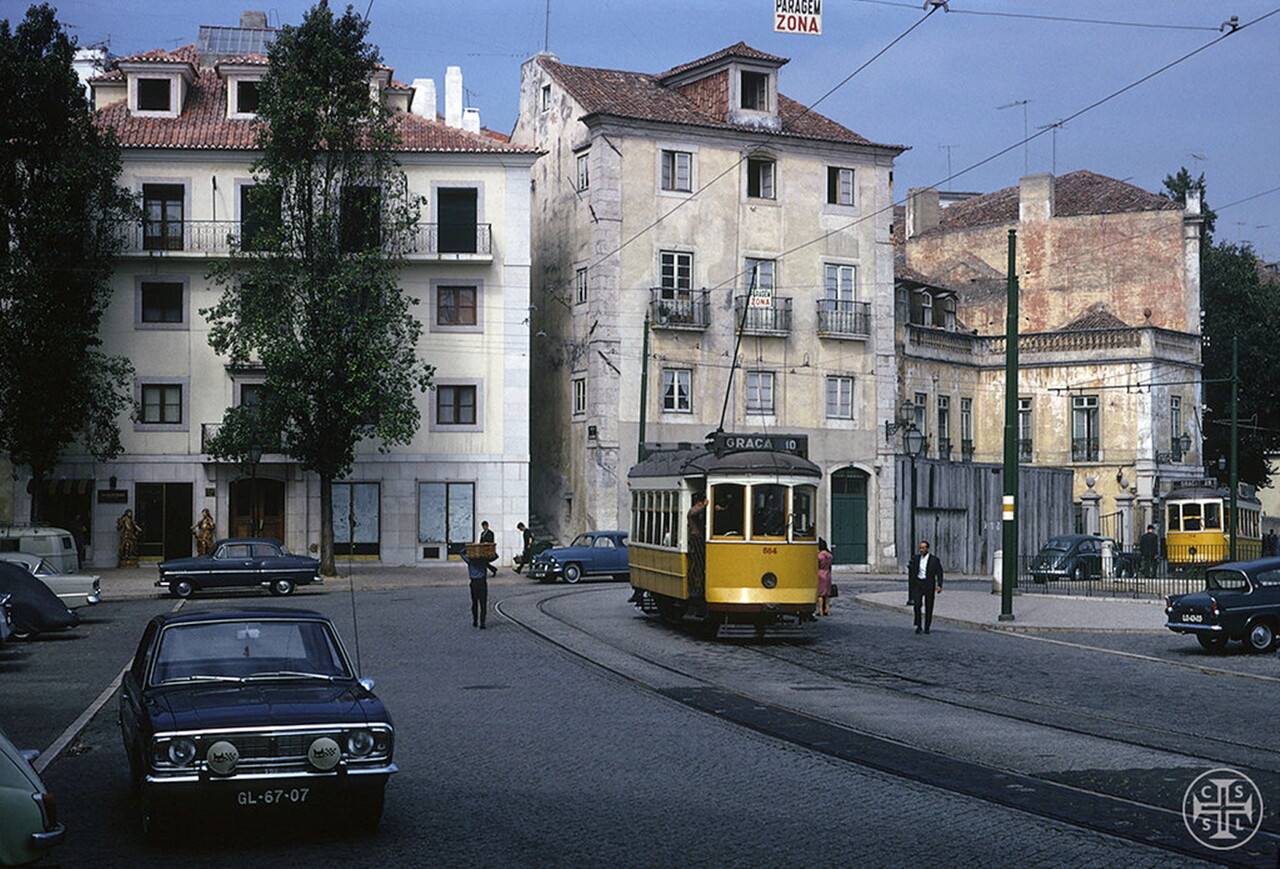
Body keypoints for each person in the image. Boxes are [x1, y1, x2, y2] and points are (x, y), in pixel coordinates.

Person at [906, 540, 943, 634]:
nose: (921, 550)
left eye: (923, 548)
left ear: (927, 549)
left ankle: (927, 627)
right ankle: (918, 625)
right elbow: (913, 570)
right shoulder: (916, 558)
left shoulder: (934, 560)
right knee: (917, 604)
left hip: (929, 584)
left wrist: (939, 585)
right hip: (918, 583)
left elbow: (939, 572)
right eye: (920, 548)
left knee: (929, 606)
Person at [460, 548, 490, 628]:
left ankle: (475, 620)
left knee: (474, 603)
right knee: (483, 603)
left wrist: (468, 548)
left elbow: (461, 553)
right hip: (482, 582)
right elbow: (495, 556)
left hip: (473, 582)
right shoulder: (483, 560)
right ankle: (482, 622)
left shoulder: (470, 561)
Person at [686, 493, 708, 598]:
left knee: (701, 561)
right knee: (698, 561)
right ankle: (696, 584)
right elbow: (694, 513)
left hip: (699, 537)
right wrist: (705, 506)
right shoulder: (692, 510)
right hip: (696, 538)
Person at [816, 537, 834, 616]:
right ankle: (827, 609)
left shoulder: (819, 556)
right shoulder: (830, 556)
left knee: (820, 594)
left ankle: (820, 610)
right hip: (827, 574)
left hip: (820, 574)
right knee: (827, 594)